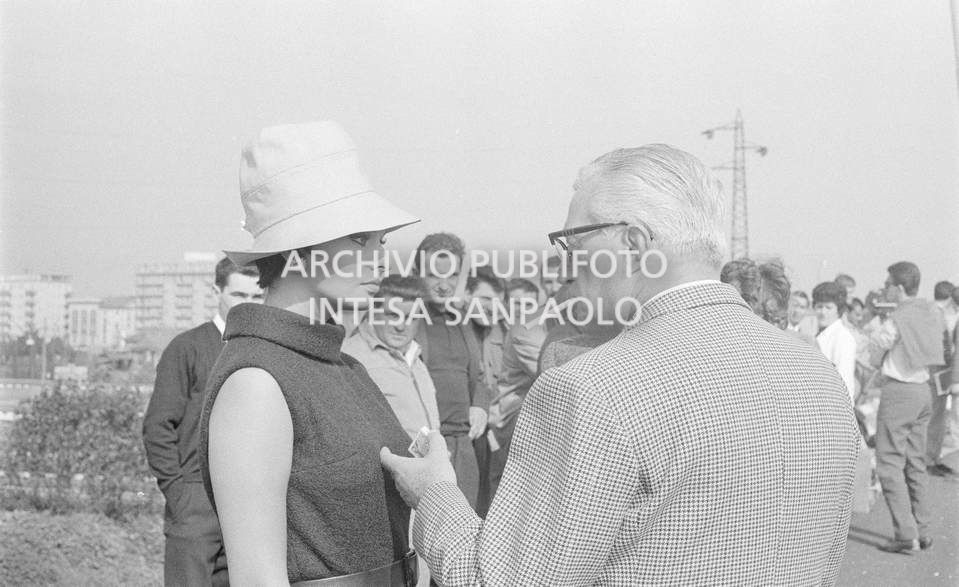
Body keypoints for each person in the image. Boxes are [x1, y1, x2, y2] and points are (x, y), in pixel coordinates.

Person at [381, 144, 859, 585]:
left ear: (632, 245)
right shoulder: (815, 372)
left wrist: (434, 494)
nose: (566, 260)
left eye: (574, 240)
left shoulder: (592, 388)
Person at [198, 121, 421, 584]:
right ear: (300, 249)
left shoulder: (346, 366)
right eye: (361, 239)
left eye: (381, 240)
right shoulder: (255, 382)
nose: (381, 257)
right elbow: (259, 578)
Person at [143, 257, 263, 587]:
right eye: (239, 295)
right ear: (217, 291)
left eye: (257, 297)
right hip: (196, 501)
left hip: (252, 506)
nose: (248, 305)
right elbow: (157, 426)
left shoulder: (266, 351)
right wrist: (180, 495)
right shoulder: (187, 347)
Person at [869, 261, 946, 554]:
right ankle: (922, 530)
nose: (885, 287)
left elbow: (878, 343)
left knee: (888, 462)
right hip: (922, 390)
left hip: (899, 391)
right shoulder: (930, 312)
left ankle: (905, 534)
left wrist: (875, 356)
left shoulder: (898, 318)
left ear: (899, 288)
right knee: (915, 462)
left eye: (888, 283)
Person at [413, 233, 491, 510]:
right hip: (423, 448)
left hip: (464, 447)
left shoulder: (463, 319)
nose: (445, 285)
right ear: (416, 274)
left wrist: (481, 405)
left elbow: (479, 374)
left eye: (453, 276)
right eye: (435, 275)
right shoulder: (405, 319)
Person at [342, 274, 441, 439]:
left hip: (429, 461)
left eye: (410, 317)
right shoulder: (349, 358)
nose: (401, 326)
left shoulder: (415, 357)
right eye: (393, 315)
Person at [813, 281, 858, 400]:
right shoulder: (820, 335)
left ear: (838, 310)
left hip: (834, 405)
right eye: (819, 307)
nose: (823, 312)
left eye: (828, 307)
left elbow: (844, 380)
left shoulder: (843, 338)